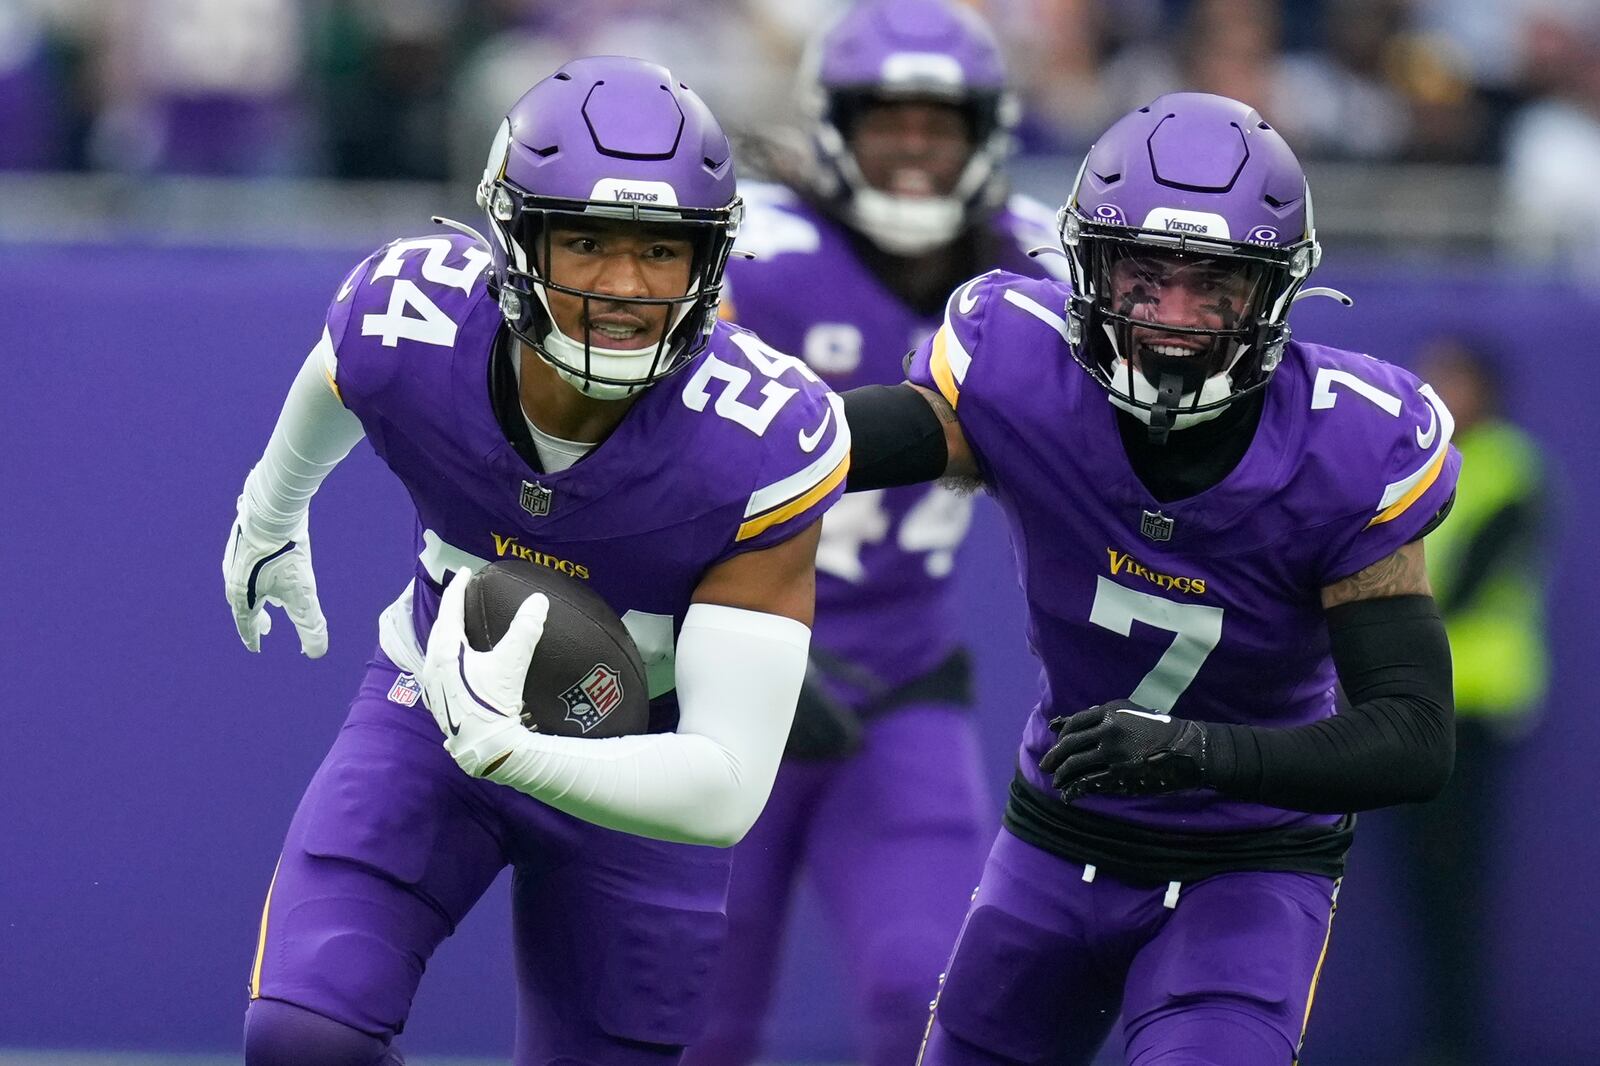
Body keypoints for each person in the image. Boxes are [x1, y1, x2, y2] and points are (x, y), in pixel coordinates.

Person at [222, 56, 849, 1066]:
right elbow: (338, 372)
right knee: (303, 1038)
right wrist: (270, 508)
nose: (622, 285)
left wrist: (522, 754)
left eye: (660, 250)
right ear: (516, 239)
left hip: (649, 762)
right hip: (428, 707)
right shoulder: (412, 320)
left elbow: (727, 781)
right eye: (587, 240)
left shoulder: (761, 438)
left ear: (709, 261)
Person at [841, 92, 1461, 1066]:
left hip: (1249, 862)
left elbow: (1414, 737)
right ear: (1090, 268)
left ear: (1271, 293)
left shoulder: (1348, 442)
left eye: (1213, 284)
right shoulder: (1017, 369)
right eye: (1144, 274)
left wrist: (1198, 752)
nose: (1173, 317)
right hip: (1055, 839)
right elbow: (814, 448)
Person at [684, 4, 1064, 1065]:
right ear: (832, 124)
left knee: (926, 997)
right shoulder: (754, 250)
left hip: (899, 684)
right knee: (689, 1020)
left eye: (935, 123)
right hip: (709, 676)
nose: (910, 144)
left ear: (985, 131)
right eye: (885, 118)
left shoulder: (1041, 271)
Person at [1393, 337, 1550, 1066]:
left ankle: (1455, 1043)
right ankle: (1440, 1038)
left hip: (1476, 711)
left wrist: (1381, 617)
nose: (1440, 385)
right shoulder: (1412, 460)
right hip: (1408, 702)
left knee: (1457, 887)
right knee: (1420, 888)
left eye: (1455, 375)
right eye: (1435, 373)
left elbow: (1463, 585)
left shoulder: (1515, 469)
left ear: (1485, 387)